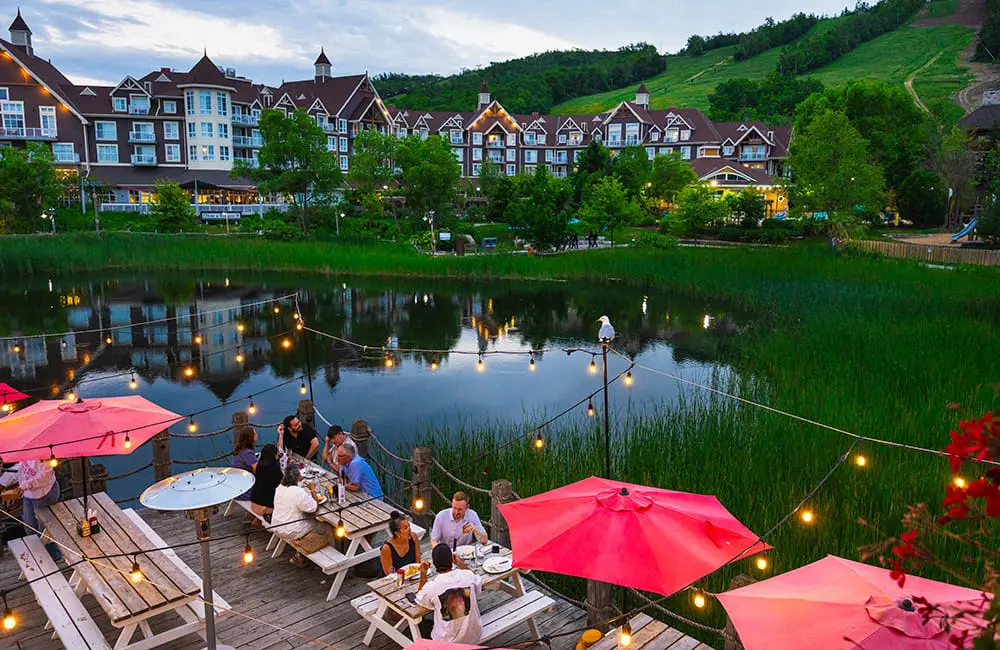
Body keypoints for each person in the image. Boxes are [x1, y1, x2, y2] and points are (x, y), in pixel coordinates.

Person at [269, 464, 335, 568]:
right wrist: (313, 490)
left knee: (304, 519)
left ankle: (300, 555)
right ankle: (333, 558)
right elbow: (314, 508)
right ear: (297, 476)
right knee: (326, 528)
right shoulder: (297, 491)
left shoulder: (279, 488)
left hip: (277, 526)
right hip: (291, 530)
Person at [415, 543, 483, 643]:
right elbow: (475, 579)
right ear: (452, 559)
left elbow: (420, 599)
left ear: (434, 564)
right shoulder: (467, 575)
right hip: (474, 635)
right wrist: (460, 563)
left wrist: (423, 574)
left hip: (448, 642)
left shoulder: (432, 587)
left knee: (423, 626)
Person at [15, 458, 62, 561]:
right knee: (29, 526)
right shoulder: (24, 452)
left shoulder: (45, 457)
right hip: (28, 493)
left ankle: (54, 555)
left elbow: (44, 477)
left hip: (44, 493)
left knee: (44, 528)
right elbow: (20, 469)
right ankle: (40, 555)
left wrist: (25, 486)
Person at [380, 511, 422, 576]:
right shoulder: (387, 548)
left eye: (409, 526)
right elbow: (389, 574)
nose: (409, 529)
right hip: (393, 581)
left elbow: (418, 563)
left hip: (413, 576)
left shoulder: (413, 537)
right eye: (405, 528)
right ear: (397, 533)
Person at [249, 444, 282, 517]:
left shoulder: (259, 466)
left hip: (253, 504)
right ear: (274, 455)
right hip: (265, 508)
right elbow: (284, 483)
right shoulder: (275, 469)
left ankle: (255, 519)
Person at [230, 427, 258, 502]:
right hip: (245, 490)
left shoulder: (240, 450)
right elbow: (258, 470)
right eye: (255, 433)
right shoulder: (247, 453)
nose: (257, 435)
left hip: (237, 487)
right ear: (250, 437)